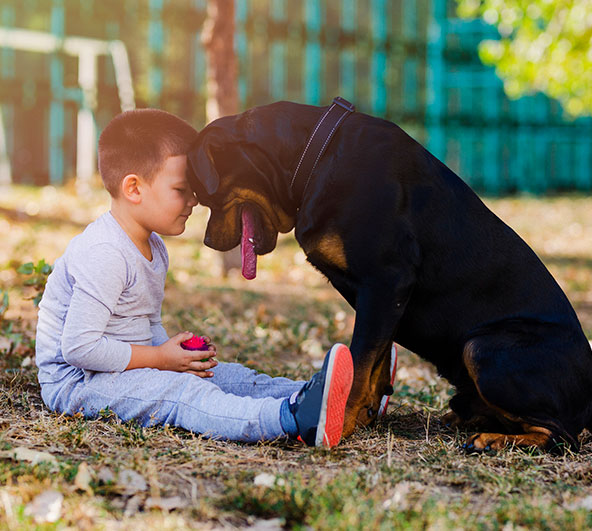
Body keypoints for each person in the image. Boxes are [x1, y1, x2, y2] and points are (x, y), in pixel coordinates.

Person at [34, 108, 354, 447]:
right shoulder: (105, 252)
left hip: (118, 369)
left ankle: (337, 398)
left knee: (225, 376)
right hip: (78, 383)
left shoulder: (153, 247)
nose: (195, 200)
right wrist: (161, 360)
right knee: (183, 392)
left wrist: (177, 356)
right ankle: (291, 418)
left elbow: (145, 325)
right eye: (181, 189)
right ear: (133, 188)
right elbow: (80, 348)